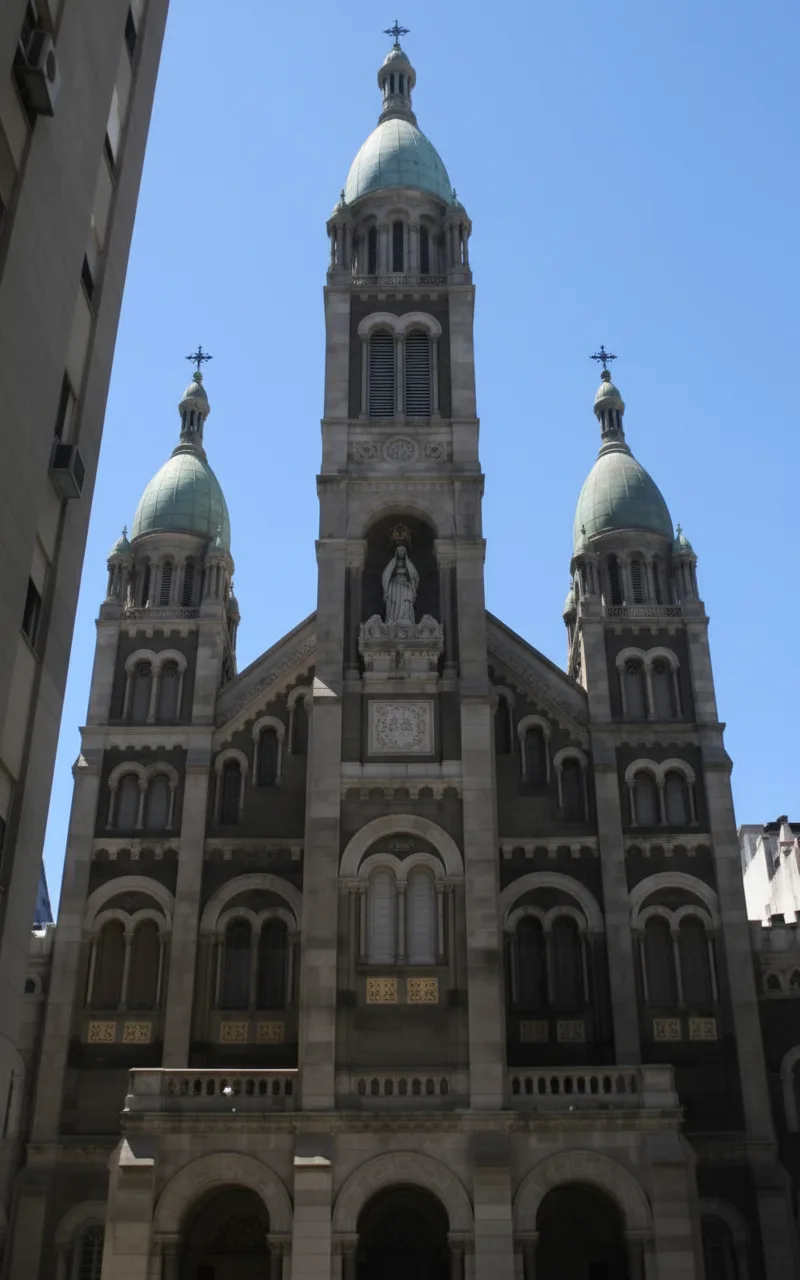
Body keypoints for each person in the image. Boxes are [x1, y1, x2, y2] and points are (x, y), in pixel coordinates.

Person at [381, 545, 419, 624]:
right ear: (397, 553)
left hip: (405, 586)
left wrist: (412, 582)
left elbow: (414, 576)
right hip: (395, 586)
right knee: (394, 602)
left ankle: (405, 618)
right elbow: (386, 575)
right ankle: (393, 619)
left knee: (406, 601)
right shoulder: (392, 563)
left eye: (402, 550)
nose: (401, 552)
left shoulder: (408, 564)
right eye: (399, 550)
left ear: (405, 552)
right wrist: (386, 589)